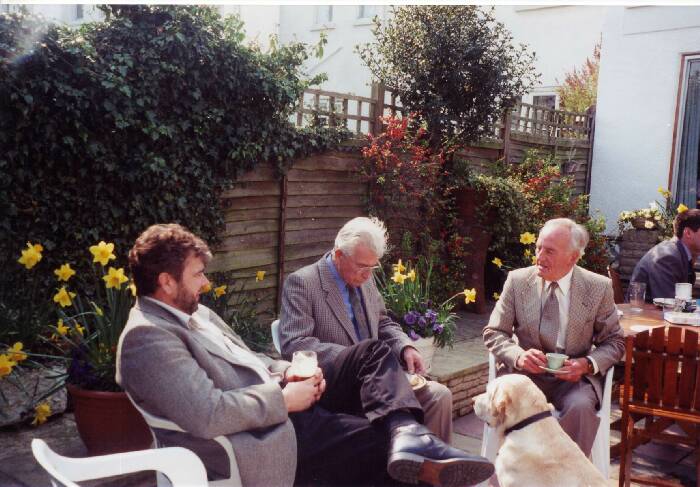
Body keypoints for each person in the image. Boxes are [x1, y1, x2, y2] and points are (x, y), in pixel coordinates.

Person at [116, 223, 493, 487]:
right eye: (198, 274)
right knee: (388, 452)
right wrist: (283, 399)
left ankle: (408, 432)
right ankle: (414, 449)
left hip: (288, 407)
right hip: (264, 433)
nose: (206, 282)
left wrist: (286, 371)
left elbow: (249, 358)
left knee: (374, 354)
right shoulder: (147, 338)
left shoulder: (196, 314)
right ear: (167, 282)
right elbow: (207, 413)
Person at [278, 216, 454, 443]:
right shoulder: (303, 283)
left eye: (373, 266)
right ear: (339, 255)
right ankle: (404, 452)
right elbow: (295, 344)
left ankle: (431, 462)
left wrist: (405, 347)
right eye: (362, 266)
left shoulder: (365, 279)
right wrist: (358, 359)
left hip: (378, 381)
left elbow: (382, 322)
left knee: (439, 396)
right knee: (393, 417)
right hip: (338, 387)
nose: (368, 274)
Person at [483, 218, 624, 457]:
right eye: (538, 248)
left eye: (549, 251)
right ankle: (513, 471)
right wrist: (518, 356)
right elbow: (493, 332)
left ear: (573, 257)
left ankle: (565, 472)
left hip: (572, 380)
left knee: (580, 407)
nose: (539, 257)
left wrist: (586, 364)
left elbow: (615, 342)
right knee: (511, 402)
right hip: (525, 375)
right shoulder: (518, 281)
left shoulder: (598, 287)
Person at [629, 208, 700, 301]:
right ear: (688, 233)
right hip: (645, 310)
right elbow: (668, 304)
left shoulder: (680, 253)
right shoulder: (668, 257)